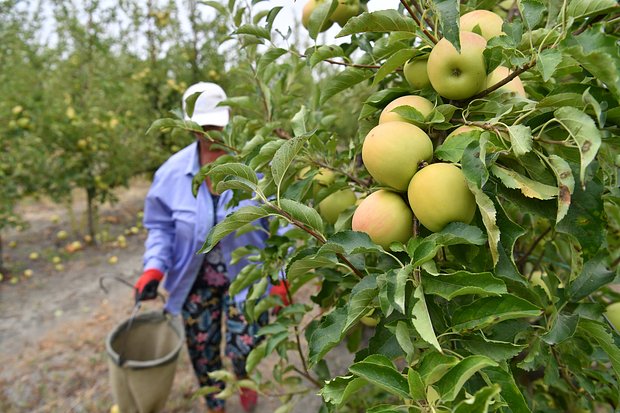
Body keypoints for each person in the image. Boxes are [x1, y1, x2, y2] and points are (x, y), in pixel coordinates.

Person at [134, 82, 288, 413]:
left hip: (246, 278)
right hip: (193, 280)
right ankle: (214, 402)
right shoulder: (172, 174)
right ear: (189, 125)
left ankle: (244, 380)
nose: (211, 132)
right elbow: (160, 227)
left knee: (245, 345)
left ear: (229, 117)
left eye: (216, 124)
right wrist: (153, 267)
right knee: (202, 350)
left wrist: (281, 276)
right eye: (203, 126)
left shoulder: (257, 166)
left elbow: (282, 224)